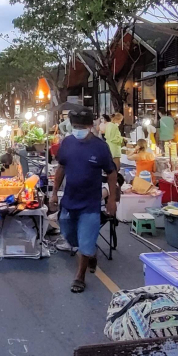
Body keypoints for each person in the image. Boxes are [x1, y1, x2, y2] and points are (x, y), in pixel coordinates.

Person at [49, 108, 118, 293]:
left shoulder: (100, 147)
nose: (78, 129)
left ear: (90, 126)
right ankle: (90, 252)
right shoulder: (68, 143)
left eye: (81, 126)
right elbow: (61, 168)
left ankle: (80, 276)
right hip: (70, 200)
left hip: (90, 203)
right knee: (69, 234)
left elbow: (112, 173)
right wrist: (54, 193)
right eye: (75, 126)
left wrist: (112, 199)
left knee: (86, 239)